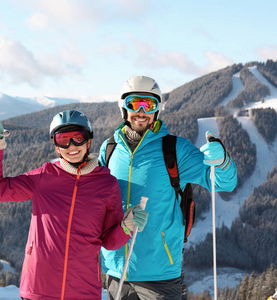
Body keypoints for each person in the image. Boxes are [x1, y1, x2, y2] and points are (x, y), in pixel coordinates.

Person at [0, 110, 149, 300]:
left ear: (88, 141)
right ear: (56, 145)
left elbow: (110, 241)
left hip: (83, 291)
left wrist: (126, 226)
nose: (71, 146)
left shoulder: (106, 184)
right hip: (39, 288)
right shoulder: (44, 177)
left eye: (78, 137)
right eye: (63, 139)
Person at [98, 76, 238, 300]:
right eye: (134, 103)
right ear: (123, 107)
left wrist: (221, 161)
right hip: (114, 270)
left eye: (149, 104)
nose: (141, 111)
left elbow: (224, 182)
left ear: (157, 110)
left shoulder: (174, 149)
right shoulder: (109, 150)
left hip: (159, 274)